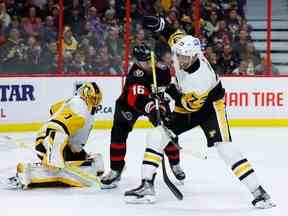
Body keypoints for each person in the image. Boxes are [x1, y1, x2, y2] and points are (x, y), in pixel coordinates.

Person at [124, 16, 275, 209]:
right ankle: (146, 186)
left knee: (225, 149)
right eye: (176, 55)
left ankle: (259, 192)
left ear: (194, 56)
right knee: (156, 136)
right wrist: (160, 24)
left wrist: (165, 95)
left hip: (210, 108)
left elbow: (187, 106)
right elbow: (172, 33)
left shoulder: (199, 79)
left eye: (182, 57)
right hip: (188, 100)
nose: (177, 59)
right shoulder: (184, 48)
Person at [101, 43, 185, 189]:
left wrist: (178, 97)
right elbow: (136, 99)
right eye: (144, 62)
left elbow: (167, 86)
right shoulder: (135, 74)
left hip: (155, 101)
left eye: (149, 60)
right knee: (118, 135)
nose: (147, 64)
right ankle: (116, 170)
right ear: (136, 61)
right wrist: (151, 109)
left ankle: (175, 164)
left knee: (169, 131)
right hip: (128, 105)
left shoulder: (160, 68)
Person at [7, 82, 104, 189]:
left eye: (97, 99)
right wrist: (54, 150)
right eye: (93, 98)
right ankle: (27, 172)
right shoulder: (80, 106)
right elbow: (56, 126)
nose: (95, 102)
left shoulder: (78, 105)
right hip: (49, 141)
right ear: (85, 95)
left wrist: (78, 153)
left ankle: (58, 157)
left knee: (78, 163)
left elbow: (53, 109)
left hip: (57, 140)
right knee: (57, 168)